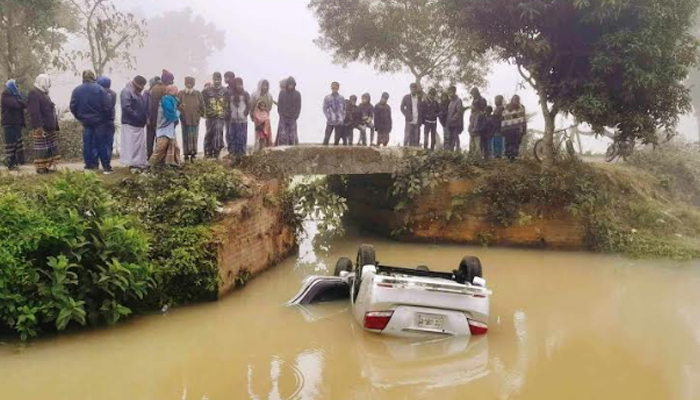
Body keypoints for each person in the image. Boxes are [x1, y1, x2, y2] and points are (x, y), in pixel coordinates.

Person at [69, 70, 110, 171]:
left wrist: (79, 117)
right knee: (101, 144)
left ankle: (89, 165)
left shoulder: (77, 90)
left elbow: (73, 106)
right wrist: (104, 117)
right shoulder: (100, 89)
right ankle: (106, 166)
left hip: (85, 122)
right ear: (93, 77)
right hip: (99, 121)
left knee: (87, 144)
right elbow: (107, 106)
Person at [27, 74, 60, 174]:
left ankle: (46, 167)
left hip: (49, 126)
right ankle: (41, 168)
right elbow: (34, 112)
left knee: (49, 147)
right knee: (42, 148)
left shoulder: (43, 93)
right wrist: (38, 126)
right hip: (42, 127)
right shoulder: (34, 93)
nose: (49, 86)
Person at [120, 75, 149, 173]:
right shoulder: (126, 92)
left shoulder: (137, 93)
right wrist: (137, 117)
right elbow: (126, 107)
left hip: (139, 124)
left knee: (139, 145)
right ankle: (132, 164)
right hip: (130, 123)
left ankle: (139, 163)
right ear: (135, 84)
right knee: (131, 145)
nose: (141, 89)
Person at [151, 85, 181, 167]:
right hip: (164, 126)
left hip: (169, 127)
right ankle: (152, 164)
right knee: (161, 147)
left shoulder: (173, 99)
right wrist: (177, 113)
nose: (177, 92)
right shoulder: (166, 99)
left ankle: (173, 164)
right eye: (175, 90)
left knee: (174, 146)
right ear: (170, 91)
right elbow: (170, 113)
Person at [178, 76, 205, 162]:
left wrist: (199, 116)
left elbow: (202, 106)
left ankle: (193, 155)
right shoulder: (181, 93)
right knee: (185, 137)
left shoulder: (198, 93)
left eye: (191, 83)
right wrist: (181, 114)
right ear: (185, 83)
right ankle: (186, 155)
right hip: (185, 119)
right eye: (187, 83)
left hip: (195, 120)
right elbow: (177, 105)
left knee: (194, 137)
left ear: (193, 84)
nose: (189, 85)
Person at [202, 72, 229, 159]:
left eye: (219, 79)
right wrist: (204, 113)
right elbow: (202, 103)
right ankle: (207, 152)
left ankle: (217, 152)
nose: (217, 81)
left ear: (221, 80)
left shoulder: (225, 91)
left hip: (220, 116)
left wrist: (225, 113)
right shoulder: (206, 90)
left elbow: (227, 103)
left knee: (218, 133)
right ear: (213, 79)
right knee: (209, 133)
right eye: (215, 79)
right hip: (210, 116)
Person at [1, 79, 26, 170]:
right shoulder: (5, 94)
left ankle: (15, 162)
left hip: (17, 123)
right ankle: (10, 163)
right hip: (9, 123)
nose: (17, 87)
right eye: (16, 85)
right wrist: (20, 99)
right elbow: (15, 105)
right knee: (11, 144)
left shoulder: (16, 94)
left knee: (17, 144)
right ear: (12, 86)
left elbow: (25, 104)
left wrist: (20, 100)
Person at [96, 76, 117, 174]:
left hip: (100, 122)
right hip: (110, 121)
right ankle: (107, 165)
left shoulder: (98, 94)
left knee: (100, 144)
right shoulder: (113, 94)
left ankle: (102, 165)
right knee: (109, 144)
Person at [228, 77, 251, 156]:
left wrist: (244, 114)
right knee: (233, 136)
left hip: (242, 120)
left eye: (240, 84)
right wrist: (229, 114)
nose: (239, 86)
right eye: (237, 84)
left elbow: (249, 105)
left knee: (242, 137)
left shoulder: (245, 94)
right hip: (233, 120)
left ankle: (242, 153)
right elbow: (227, 105)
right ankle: (233, 153)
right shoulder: (230, 94)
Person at [276, 76, 301, 146]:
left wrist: (295, 117)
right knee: (282, 136)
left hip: (292, 118)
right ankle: (281, 151)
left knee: (291, 136)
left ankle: (291, 151)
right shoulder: (282, 93)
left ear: (294, 85)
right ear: (287, 84)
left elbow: (298, 107)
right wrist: (281, 115)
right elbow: (279, 105)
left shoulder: (297, 94)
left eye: (292, 84)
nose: (290, 86)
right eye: (289, 84)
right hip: (283, 118)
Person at [502, 95, 527, 160]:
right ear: (512, 100)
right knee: (511, 142)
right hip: (511, 129)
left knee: (515, 142)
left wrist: (524, 129)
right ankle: (510, 156)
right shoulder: (507, 107)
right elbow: (504, 118)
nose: (516, 101)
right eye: (514, 99)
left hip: (515, 129)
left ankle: (512, 156)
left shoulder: (521, 107)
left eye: (517, 99)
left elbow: (523, 119)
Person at [323, 81, 345, 146]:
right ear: (331, 88)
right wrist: (328, 117)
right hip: (330, 121)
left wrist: (342, 118)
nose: (334, 89)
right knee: (326, 137)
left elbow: (344, 109)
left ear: (338, 88)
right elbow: (324, 108)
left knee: (337, 139)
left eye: (335, 88)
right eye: (333, 88)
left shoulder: (341, 98)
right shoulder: (327, 98)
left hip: (339, 121)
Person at [400, 83, 422, 147]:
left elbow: (421, 109)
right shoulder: (406, 97)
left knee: (416, 138)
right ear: (410, 89)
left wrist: (420, 120)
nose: (413, 90)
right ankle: (404, 151)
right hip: (409, 121)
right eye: (412, 89)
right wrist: (407, 115)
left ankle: (414, 154)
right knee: (407, 137)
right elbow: (402, 107)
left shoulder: (419, 98)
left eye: (414, 89)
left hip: (417, 121)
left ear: (416, 89)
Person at [143, 76, 160, 158]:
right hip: (151, 119)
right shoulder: (147, 92)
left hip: (158, 119)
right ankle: (149, 155)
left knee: (158, 138)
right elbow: (144, 106)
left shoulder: (160, 92)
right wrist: (147, 118)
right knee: (150, 138)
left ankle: (156, 156)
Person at [446, 86, 464, 152]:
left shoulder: (458, 101)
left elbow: (459, 112)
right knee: (450, 138)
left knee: (455, 137)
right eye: (449, 92)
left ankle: (457, 151)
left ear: (454, 92)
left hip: (456, 123)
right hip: (450, 124)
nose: (449, 94)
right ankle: (451, 151)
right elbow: (449, 113)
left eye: (450, 92)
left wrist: (452, 119)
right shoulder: (451, 102)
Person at [468, 88, 485, 154]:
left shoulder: (482, 100)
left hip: (478, 130)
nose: (473, 95)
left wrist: (477, 128)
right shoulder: (474, 101)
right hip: (472, 128)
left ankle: (478, 158)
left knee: (478, 144)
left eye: (473, 93)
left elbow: (483, 112)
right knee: (472, 145)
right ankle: (472, 157)